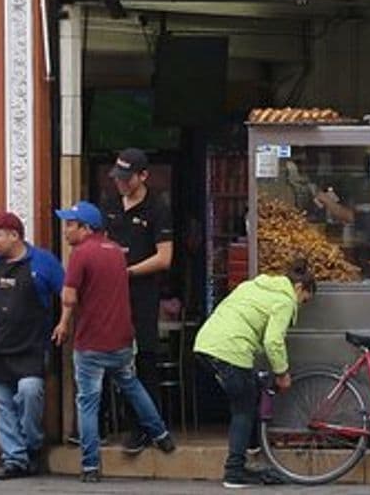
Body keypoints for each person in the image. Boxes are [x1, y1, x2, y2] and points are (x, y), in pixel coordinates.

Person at [52, 201, 176, 483]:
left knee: (88, 402)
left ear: (86, 228)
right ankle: (160, 433)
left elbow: (69, 297)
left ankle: (91, 465)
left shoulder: (80, 255)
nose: (66, 231)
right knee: (132, 386)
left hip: (91, 341)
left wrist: (63, 322)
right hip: (121, 338)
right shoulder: (117, 253)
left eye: (70, 225)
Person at [193, 260, 315, 488]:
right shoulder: (285, 300)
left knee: (250, 389)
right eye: (305, 300)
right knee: (243, 409)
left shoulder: (254, 286)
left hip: (206, 344)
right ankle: (234, 472)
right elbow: (273, 341)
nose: (301, 305)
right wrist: (282, 373)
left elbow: (248, 323)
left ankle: (252, 445)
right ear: (299, 288)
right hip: (231, 351)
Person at [0, 212, 64, 480]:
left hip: (31, 347)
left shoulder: (44, 262)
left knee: (30, 392)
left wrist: (65, 323)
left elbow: (68, 294)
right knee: (3, 405)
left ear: (14, 236)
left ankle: (31, 445)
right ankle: (14, 459)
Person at [100, 148, 173, 454]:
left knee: (145, 358)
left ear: (143, 176)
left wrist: (127, 271)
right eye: (118, 178)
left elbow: (164, 257)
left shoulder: (158, 207)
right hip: (113, 294)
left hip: (142, 291)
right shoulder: (110, 204)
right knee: (107, 357)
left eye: (127, 179)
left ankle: (145, 426)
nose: (121, 184)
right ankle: (104, 422)